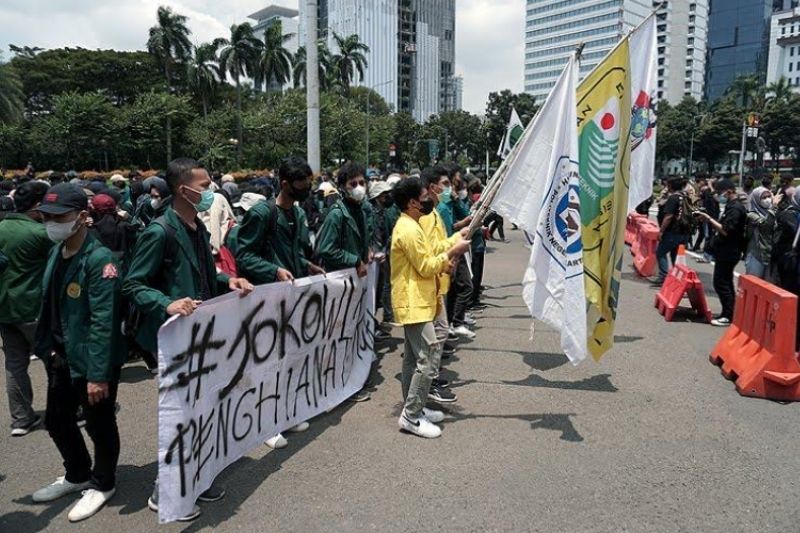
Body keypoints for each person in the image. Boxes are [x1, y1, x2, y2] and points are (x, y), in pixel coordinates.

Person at [122, 158, 253, 521]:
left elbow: (203, 270)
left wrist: (230, 281)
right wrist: (167, 303)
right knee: (181, 415)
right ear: (184, 190)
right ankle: (165, 491)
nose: (211, 191)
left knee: (203, 408)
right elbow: (133, 284)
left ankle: (197, 475)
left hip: (201, 336)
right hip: (176, 340)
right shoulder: (159, 232)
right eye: (205, 184)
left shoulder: (195, 227)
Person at [30, 183, 126, 522]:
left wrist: (98, 375)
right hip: (61, 355)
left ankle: (103, 482)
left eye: (60, 216)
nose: (51, 222)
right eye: (47, 215)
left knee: (99, 424)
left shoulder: (99, 260)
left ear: (83, 217)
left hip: (92, 359)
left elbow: (103, 322)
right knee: (56, 420)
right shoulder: (58, 250)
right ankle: (77, 473)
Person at [391, 177, 471, 438]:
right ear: (413, 202)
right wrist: (449, 255)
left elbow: (431, 251)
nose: (430, 197)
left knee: (414, 359)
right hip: (414, 302)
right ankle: (412, 416)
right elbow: (426, 265)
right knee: (428, 357)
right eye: (425, 194)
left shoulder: (412, 225)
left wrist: (454, 241)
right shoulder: (409, 229)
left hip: (419, 301)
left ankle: (414, 408)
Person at [316, 161, 373, 402]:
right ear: (342, 187)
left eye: (362, 182)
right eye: (353, 184)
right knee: (337, 336)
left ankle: (348, 380)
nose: (359, 187)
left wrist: (366, 252)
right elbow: (326, 249)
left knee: (350, 333)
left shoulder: (360, 210)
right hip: (340, 284)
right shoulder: (337, 214)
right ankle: (336, 386)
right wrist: (354, 260)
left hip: (353, 284)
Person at [0, 181, 51, 436]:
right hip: (33, 308)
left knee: (14, 364)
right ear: (38, 205)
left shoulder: (1, 228)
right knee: (55, 361)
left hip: (5, 309)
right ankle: (65, 410)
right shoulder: (40, 234)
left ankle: (21, 418)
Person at [695, 178, 747, 327]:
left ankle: (727, 315)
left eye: (720, 193)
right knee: (725, 282)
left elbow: (726, 230)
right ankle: (730, 312)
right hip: (726, 250)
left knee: (721, 283)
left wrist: (708, 218)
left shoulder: (736, 208)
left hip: (729, 250)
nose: (719, 195)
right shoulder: (732, 206)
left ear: (729, 192)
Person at [653, 177, 693, 286]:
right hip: (684, 231)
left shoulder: (673, 198)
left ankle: (663, 276)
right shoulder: (686, 197)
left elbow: (668, 216)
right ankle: (677, 278)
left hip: (672, 231)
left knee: (660, 252)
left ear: (670, 186)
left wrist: (661, 231)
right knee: (675, 255)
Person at [744, 187, 779, 279]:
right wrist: (773, 207)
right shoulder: (752, 214)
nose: (767, 199)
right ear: (756, 200)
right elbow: (765, 226)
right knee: (753, 282)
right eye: (763, 198)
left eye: (768, 196)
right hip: (757, 254)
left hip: (770, 255)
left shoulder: (773, 212)